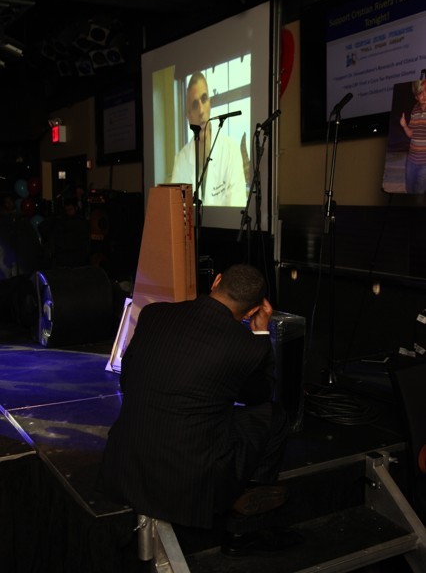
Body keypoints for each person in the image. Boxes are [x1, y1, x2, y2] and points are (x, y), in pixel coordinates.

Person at [98, 264, 301, 556]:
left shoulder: (154, 313)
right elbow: (258, 396)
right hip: (185, 483)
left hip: (123, 465)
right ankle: (244, 528)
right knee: (274, 416)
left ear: (216, 281)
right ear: (252, 311)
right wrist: (259, 332)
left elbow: (127, 379)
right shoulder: (247, 346)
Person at [171, 71, 247, 207]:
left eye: (204, 99)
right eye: (195, 105)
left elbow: (236, 211)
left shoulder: (231, 151)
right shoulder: (181, 161)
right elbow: (176, 212)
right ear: (189, 116)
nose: (201, 111)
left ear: (210, 104)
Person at [400, 79, 426, 193]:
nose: (424, 96)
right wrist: (404, 126)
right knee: (409, 188)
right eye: (420, 93)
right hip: (411, 160)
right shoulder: (415, 109)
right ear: (416, 96)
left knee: (420, 190)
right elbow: (411, 134)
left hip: (425, 162)